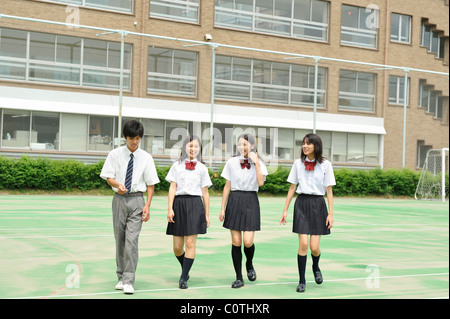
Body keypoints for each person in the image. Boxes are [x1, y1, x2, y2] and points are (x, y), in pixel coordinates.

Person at [100, 119, 160, 294]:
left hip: (137, 201)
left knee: (131, 241)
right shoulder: (115, 154)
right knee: (119, 240)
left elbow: (150, 184)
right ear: (125, 137)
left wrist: (147, 205)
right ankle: (120, 276)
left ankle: (129, 280)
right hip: (119, 200)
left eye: (138, 138)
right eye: (132, 138)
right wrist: (117, 185)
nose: (135, 142)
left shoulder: (146, 157)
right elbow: (108, 177)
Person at [280, 133, 335, 293]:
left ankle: (316, 266)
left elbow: (329, 191)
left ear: (315, 146)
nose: (305, 146)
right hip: (302, 204)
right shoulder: (298, 163)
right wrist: (285, 210)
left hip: (318, 204)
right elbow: (292, 187)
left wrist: (330, 214)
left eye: (308, 144)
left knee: (314, 247)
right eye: (303, 143)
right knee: (303, 245)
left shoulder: (326, 165)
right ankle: (302, 280)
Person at [220, 133, 268, 288]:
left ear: (252, 146)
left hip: (250, 200)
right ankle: (239, 277)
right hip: (234, 200)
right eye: (240, 144)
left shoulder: (259, 163)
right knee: (236, 242)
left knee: (248, 242)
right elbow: (227, 186)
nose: (242, 147)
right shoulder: (231, 162)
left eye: (245, 144)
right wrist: (222, 208)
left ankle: (249, 263)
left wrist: (257, 164)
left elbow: (260, 183)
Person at [166, 135, 212, 289]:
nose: (193, 149)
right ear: (185, 148)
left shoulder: (202, 168)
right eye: (190, 146)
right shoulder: (176, 166)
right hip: (179, 205)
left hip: (195, 205)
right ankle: (185, 268)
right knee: (177, 247)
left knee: (190, 243)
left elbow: (205, 193)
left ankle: (184, 277)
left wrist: (206, 214)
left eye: (196, 147)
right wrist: (170, 208)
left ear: (200, 149)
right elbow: (172, 187)